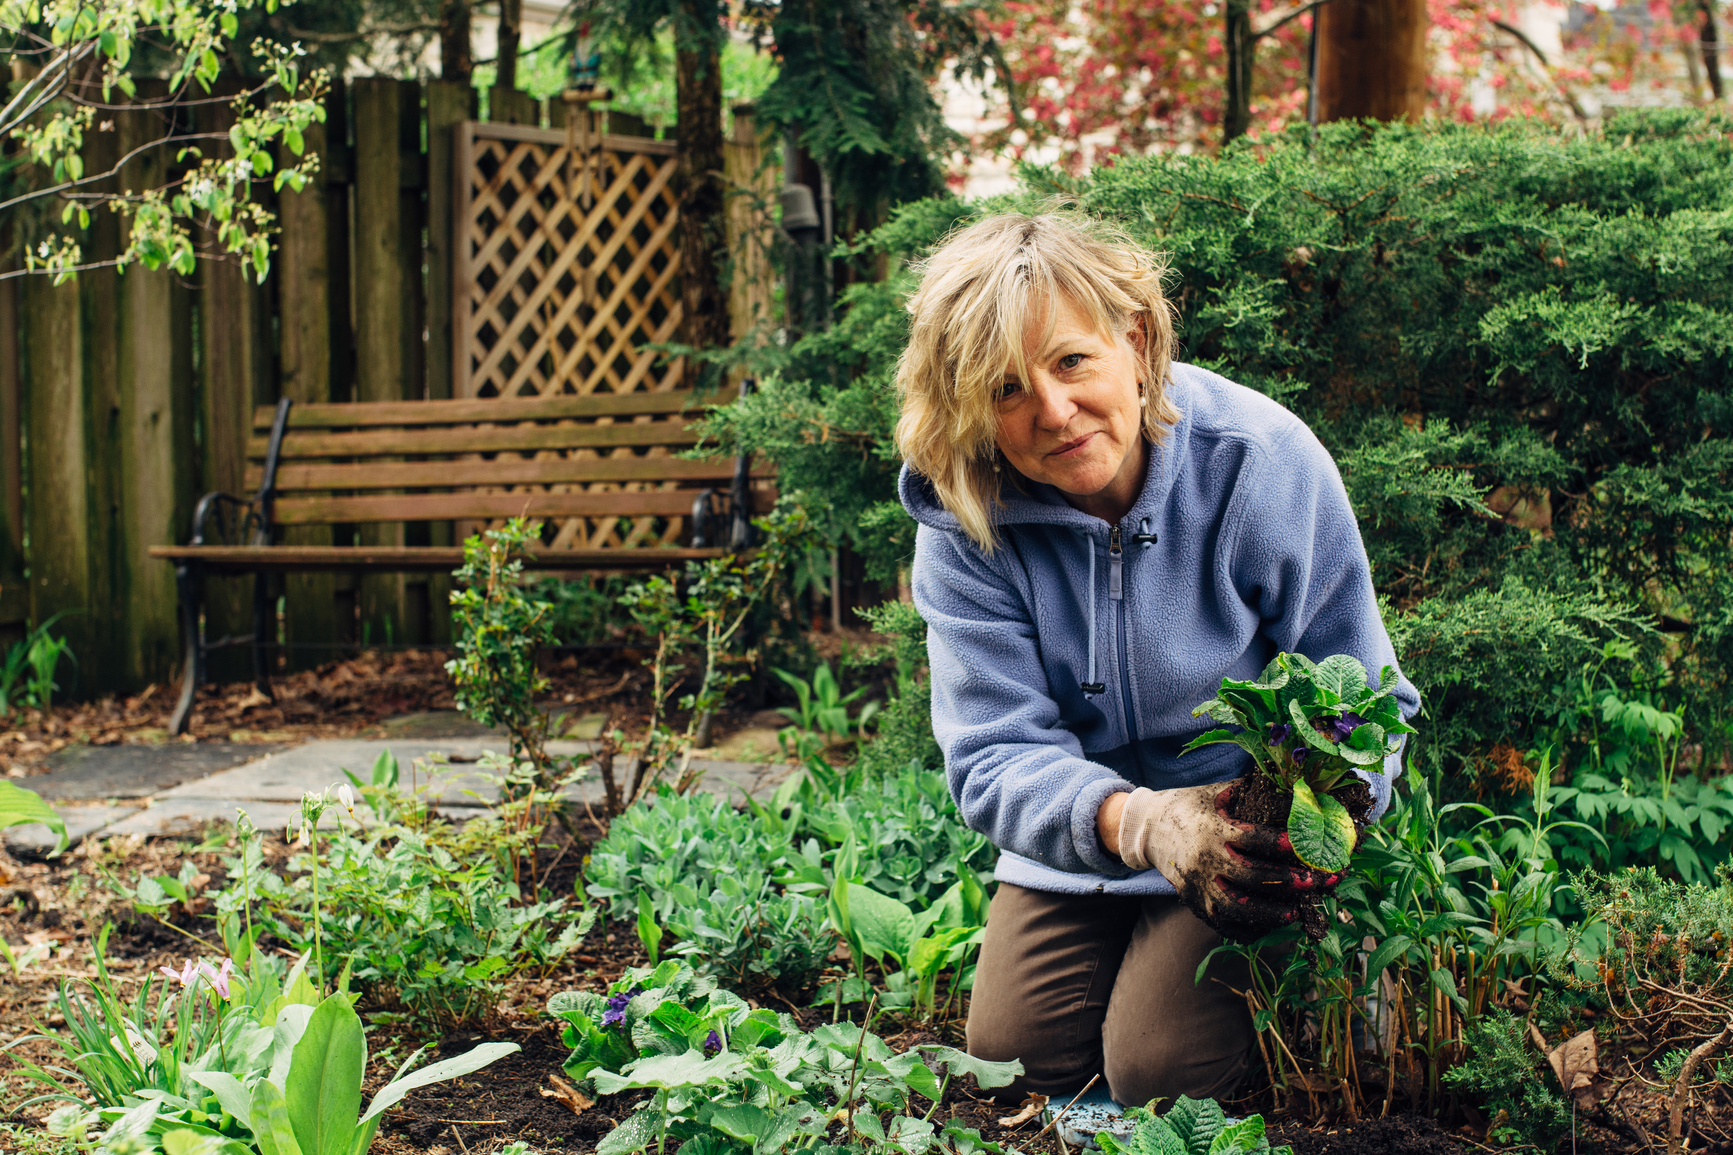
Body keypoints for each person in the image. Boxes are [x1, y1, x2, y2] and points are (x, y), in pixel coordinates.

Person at [894, 210, 1420, 1115]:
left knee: (1156, 1076)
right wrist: (1141, 824)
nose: (1052, 413)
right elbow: (991, 754)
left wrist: (1303, 833)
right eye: (1008, 388)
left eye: (1071, 362)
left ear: (1133, 340)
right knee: (1009, 1059)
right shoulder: (965, 518)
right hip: (1092, 829)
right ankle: (1141, 941)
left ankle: (1306, 991)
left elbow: (1363, 695)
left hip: (1246, 835)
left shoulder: (1256, 462)